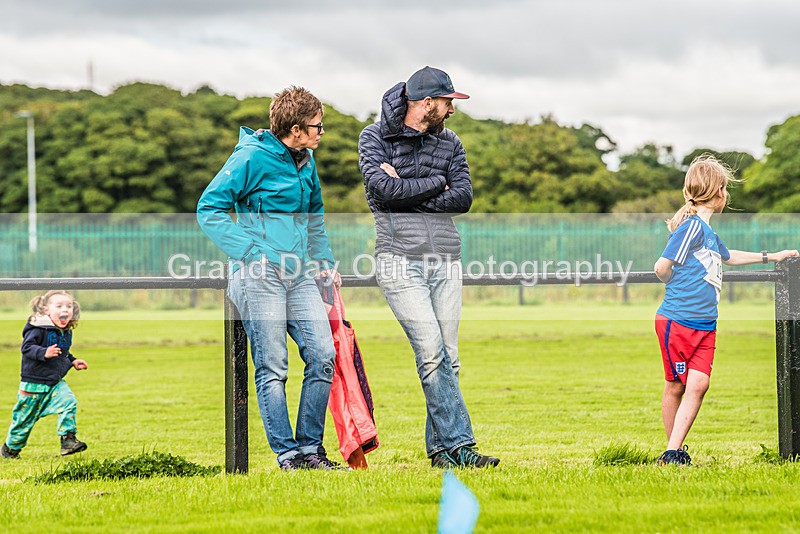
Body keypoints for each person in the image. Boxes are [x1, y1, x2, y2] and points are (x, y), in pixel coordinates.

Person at [358, 66, 499, 468]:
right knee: (432, 353)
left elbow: (463, 199)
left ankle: (440, 453)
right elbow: (384, 192)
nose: (452, 109)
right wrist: (438, 183)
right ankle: (462, 445)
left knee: (449, 358)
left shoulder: (451, 142)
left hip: (445, 259)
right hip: (398, 259)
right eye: (447, 102)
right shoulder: (373, 138)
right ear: (426, 104)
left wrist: (410, 189)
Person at [197, 86, 344, 470]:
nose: (321, 133)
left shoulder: (306, 161)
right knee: (274, 365)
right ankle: (288, 454)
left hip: (299, 276)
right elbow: (208, 208)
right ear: (295, 129)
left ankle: (311, 449)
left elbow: (314, 217)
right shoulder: (250, 158)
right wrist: (252, 254)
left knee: (323, 356)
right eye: (317, 127)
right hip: (257, 275)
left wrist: (324, 260)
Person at [653, 155, 798, 466]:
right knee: (676, 386)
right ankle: (673, 453)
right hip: (678, 320)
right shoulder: (691, 228)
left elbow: (729, 256)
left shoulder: (706, 232)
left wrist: (772, 256)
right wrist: (674, 279)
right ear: (719, 190)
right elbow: (661, 267)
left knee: (700, 383)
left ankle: (673, 452)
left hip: (706, 324)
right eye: (726, 189)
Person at [2, 290, 89, 459]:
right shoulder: (37, 328)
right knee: (23, 423)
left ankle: (68, 440)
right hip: (33, 386)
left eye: (69, 306)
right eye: (59, 306)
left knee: (69, 402)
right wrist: (43, 353)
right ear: (45, 310)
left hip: (54, 383)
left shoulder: (64, 331)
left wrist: (73, 361)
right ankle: (10, 449)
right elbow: (26, 348)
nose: (65, 310)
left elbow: (63, 352)